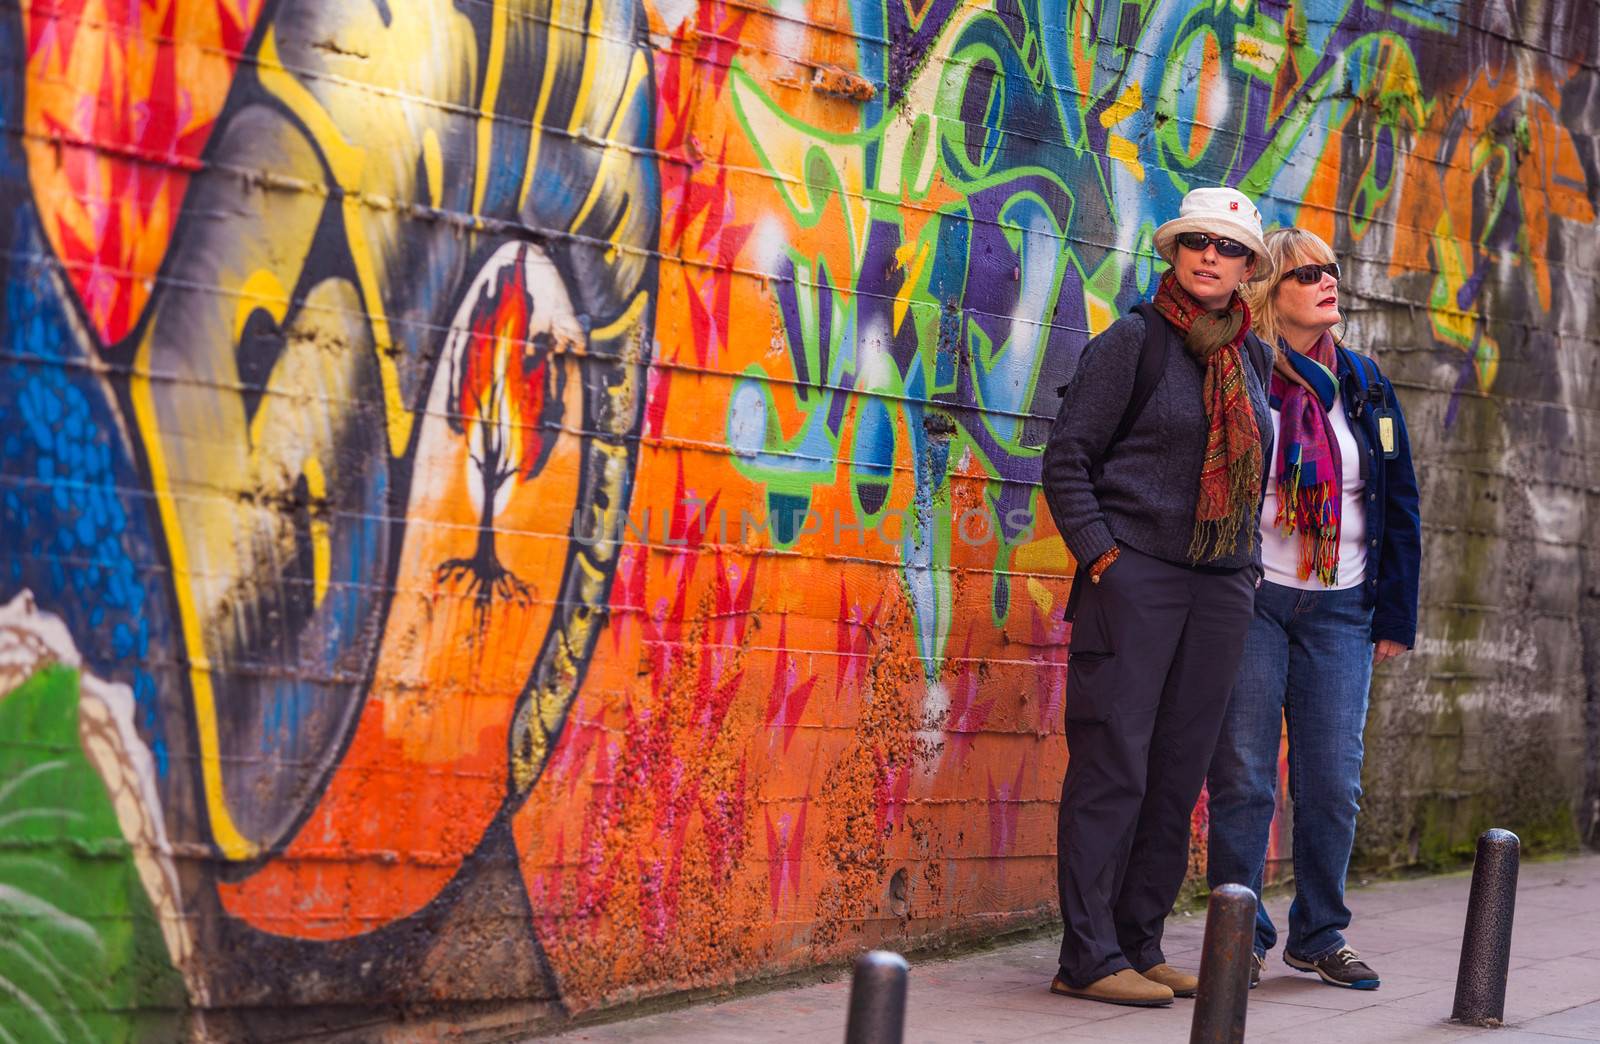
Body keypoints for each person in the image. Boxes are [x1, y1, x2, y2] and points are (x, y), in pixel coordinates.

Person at [1042, 186, 1275, 1007]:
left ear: (1248, 268)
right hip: (1135, 576)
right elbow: (1067, 458)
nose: (1211, 256)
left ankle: (1140, 942)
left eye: (1229, 247)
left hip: (1219, 587)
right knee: (1115, 766)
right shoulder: (1132, 343)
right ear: (1175, 252)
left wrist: (1243, 572)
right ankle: (1089, 954)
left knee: (1178, 775)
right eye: (1197, 242)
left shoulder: (1253, 358)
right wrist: (1105, 558)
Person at [1205, 227, 1421, 991]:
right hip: (1255, 602)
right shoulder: (1242, 376)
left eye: (1331, 271)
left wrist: (1395, 616)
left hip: (1342, 611)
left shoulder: (1364, 383)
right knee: (1244, 779)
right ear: (1269, 292)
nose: (1328, 283)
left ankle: (1320, 933)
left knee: (1333, 782)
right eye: (1307, 275)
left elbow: (1399, 504)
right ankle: (1241, 935)